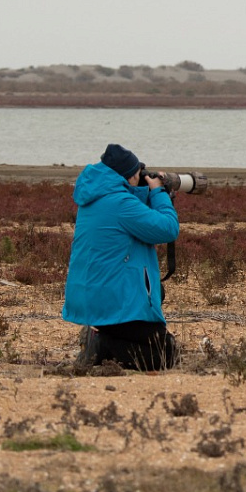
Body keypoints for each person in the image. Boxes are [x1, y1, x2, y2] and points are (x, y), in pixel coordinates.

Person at [63, 143, 180, 370]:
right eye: (138, 173)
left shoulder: (97, 197)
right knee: (166, 354)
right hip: (113, 300)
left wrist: (146, 190)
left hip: (94, 295)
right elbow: (168, 228)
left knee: (157, 293)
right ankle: (101, 346)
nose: (141, 177)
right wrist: (158, 193)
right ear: (127, 176)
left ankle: (101, 337)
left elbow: (133, 215)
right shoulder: (121, 204)